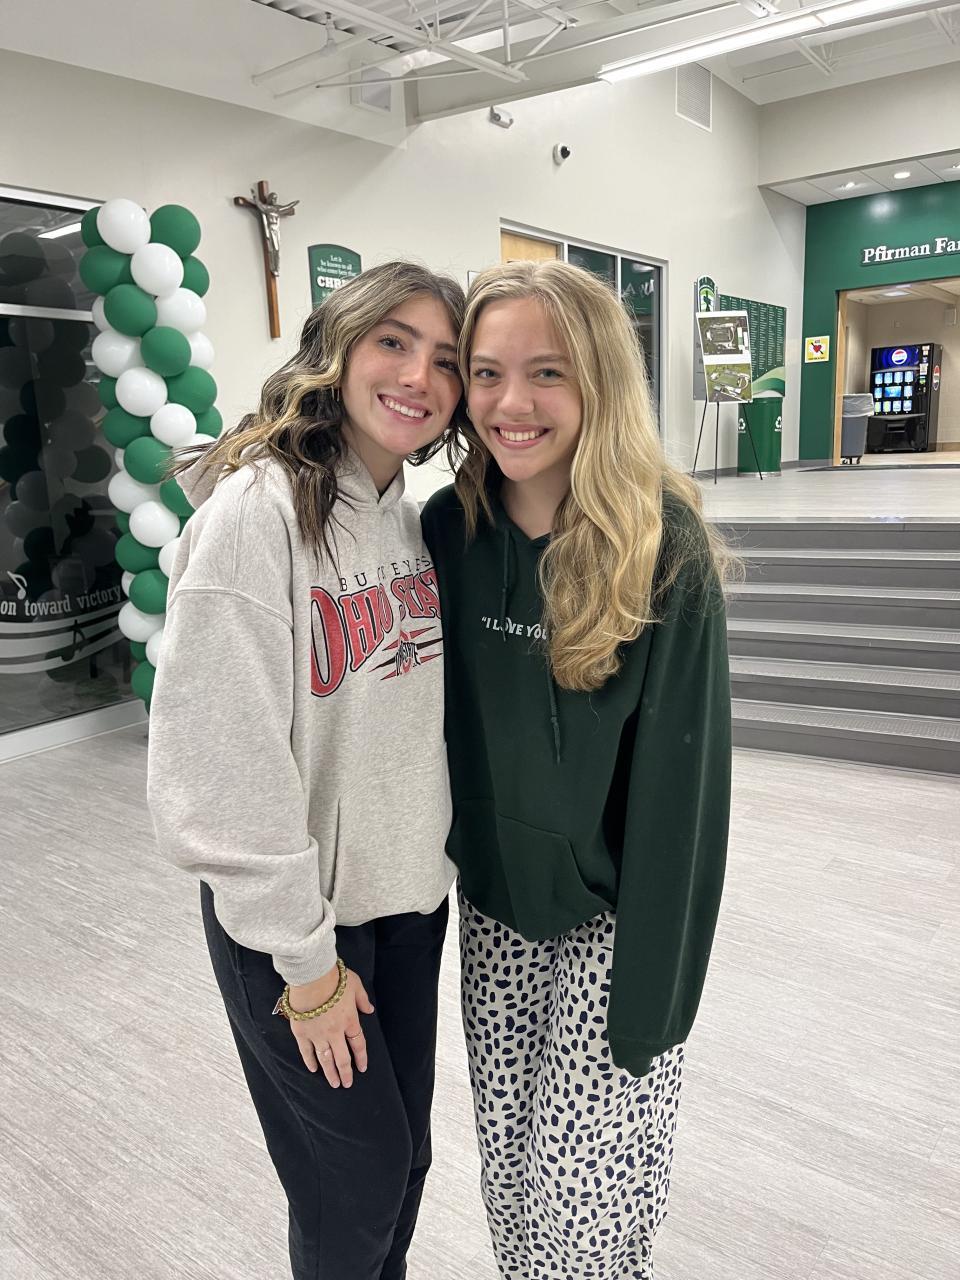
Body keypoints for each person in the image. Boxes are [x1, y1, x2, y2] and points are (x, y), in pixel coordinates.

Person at [147, 261, 467, 1280]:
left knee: (403, 1165)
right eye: (394, 343)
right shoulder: (258, 513)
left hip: (406, 903)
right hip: (297, 925)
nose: (418, 376)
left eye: (445, 360)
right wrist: (307, 964)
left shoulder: (412, 519)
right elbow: (220, 763)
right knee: (355, 1182)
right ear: (337, 349)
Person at [421, 260, 732, 1279]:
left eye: (546, 371)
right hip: (494, 906)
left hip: (614, 921)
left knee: (586, 1197)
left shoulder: (662, 545)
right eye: (487, 372)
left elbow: (686, 797)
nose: (511, 403)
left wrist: (654, 1000)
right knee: (509, 1170)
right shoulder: (448, 530)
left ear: (599, 379)